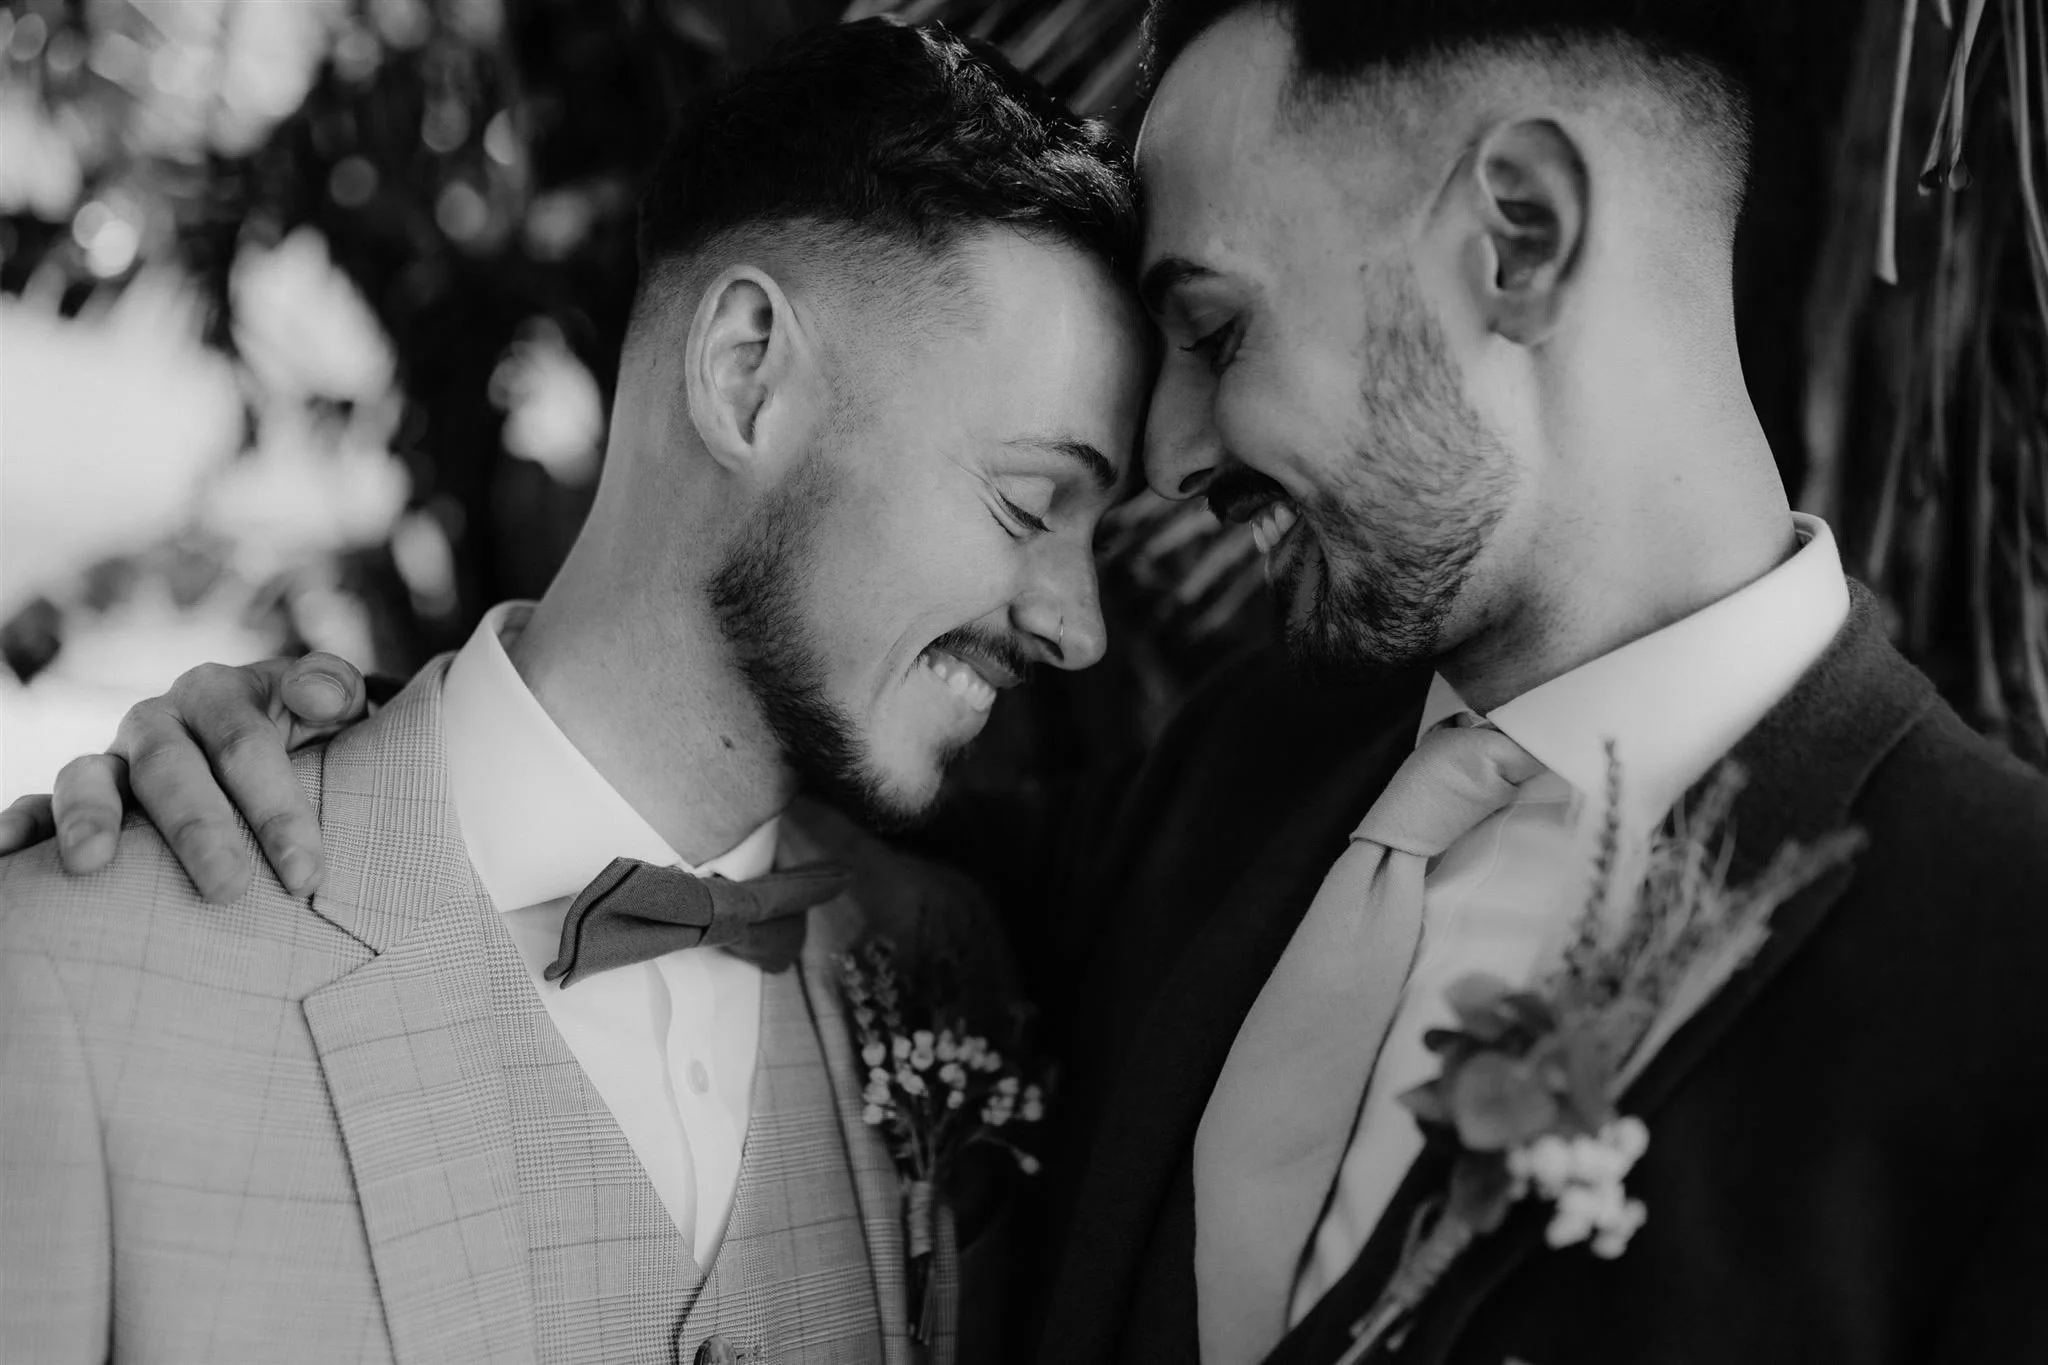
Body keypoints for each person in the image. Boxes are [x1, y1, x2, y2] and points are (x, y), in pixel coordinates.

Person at [11, 2, 2048, 1364]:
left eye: (1214, 325)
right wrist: (311, 742)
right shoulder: (1215, 795)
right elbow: (659, 774)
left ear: (1516, 234)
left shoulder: (2009, 974)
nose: (1175, 462)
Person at [0, 17, 1147, 1364]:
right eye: (1029, 504)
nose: (1078, 627)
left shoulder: (953, 964)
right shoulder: (68, 982)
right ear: (747, 376)